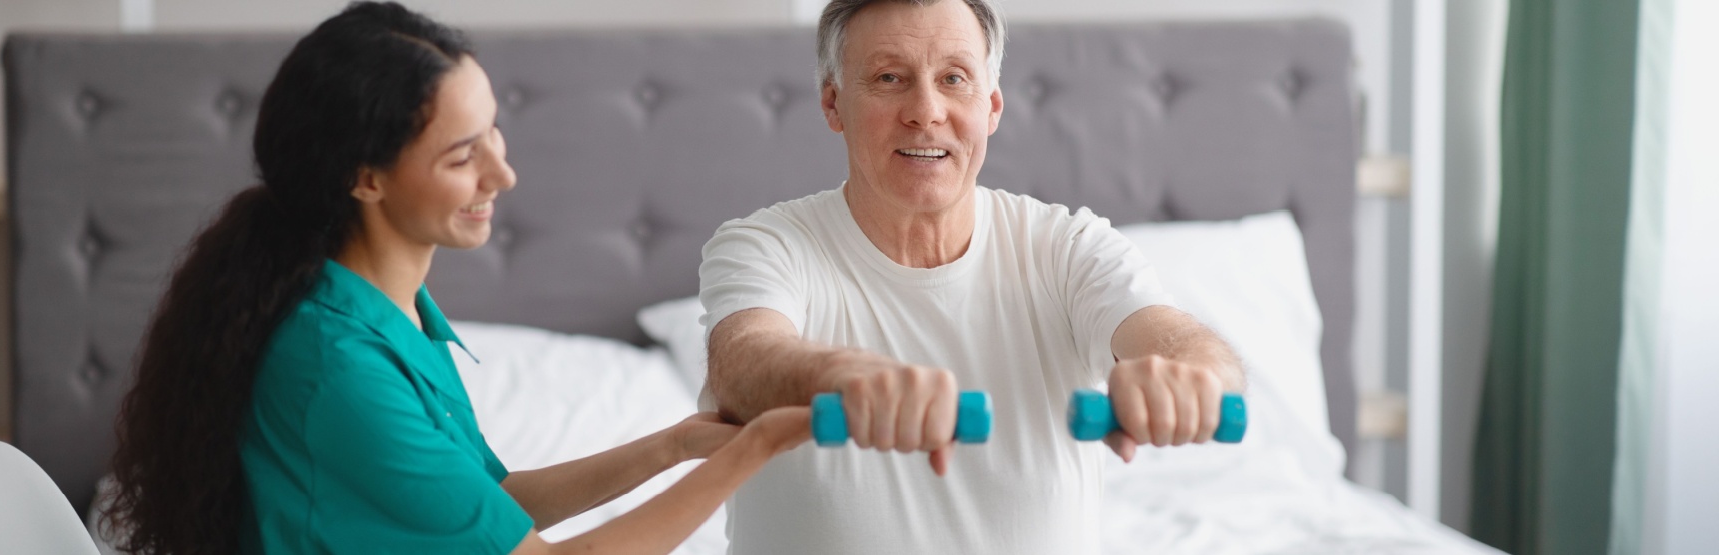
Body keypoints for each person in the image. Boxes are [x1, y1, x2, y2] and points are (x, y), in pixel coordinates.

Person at [105, 3, 809, 554]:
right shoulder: (336, 367)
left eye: (493, 134)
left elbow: (489, 501)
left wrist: (674, 445)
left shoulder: (392, 310)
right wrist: (754, 448)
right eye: (461, 156)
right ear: (365, 178)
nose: (502, 174)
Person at [699, 1, 1248, 553]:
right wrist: (851, 376)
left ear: (991, 106)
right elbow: (743, 363)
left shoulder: (1067, 247)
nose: (925, 110)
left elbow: (1183, 344)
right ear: (833, 102)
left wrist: (1190, 379)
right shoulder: (764, 245)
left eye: (953, 79)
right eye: (890, 78)